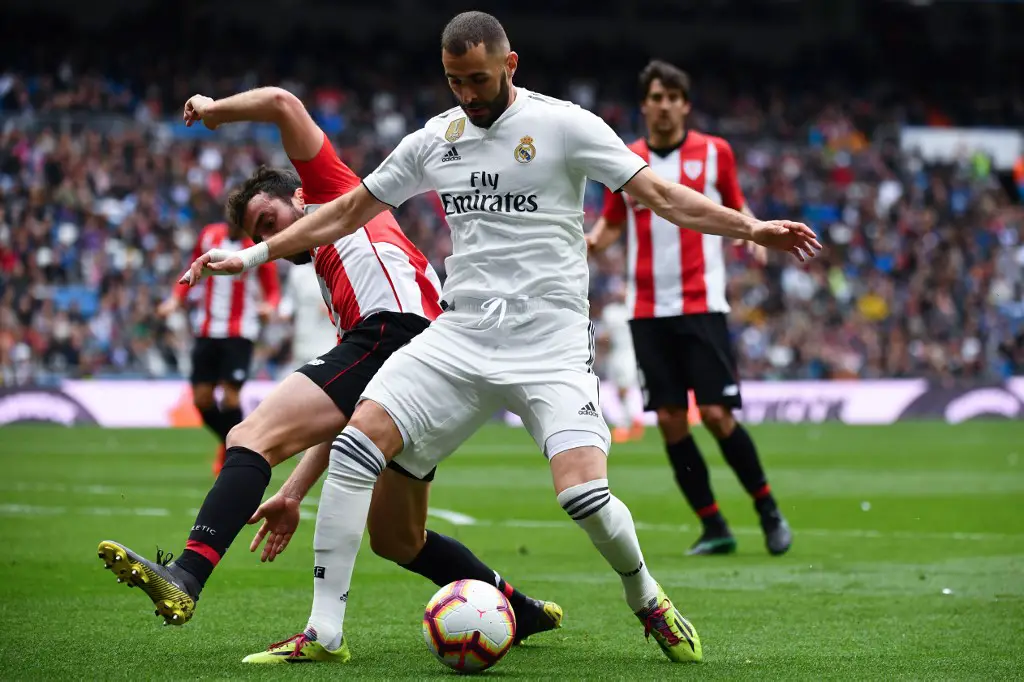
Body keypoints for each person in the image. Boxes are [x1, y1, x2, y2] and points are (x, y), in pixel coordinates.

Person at [180, 12, 819, 664]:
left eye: (480, 79)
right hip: (460, 334)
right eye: (455, 80)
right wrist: (252, 258)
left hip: (551, 339)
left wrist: (752, 228)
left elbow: (661, 195)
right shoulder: (437, 138)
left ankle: (645, 595)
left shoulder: (565, 125)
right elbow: (345, 210)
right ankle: (324, 634)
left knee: (583, 497)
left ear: (511, 65)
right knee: (353, 446)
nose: (468, 93)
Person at [96, 84, 562, 664]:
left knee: (249, 438)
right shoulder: (333, 275)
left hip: (398, 334)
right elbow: (344, 415)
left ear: (297, 195)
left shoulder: (330, 193)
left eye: (268, 220)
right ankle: (519, 607)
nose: (268, 240)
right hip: (430, 359)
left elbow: (284, 104)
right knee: (399, 540)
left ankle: (187, 576)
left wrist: (215, 111)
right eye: (257, 237)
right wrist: (292, 492)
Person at [587, 60, 793, 556]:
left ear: (685, 104)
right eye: (655, 97)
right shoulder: (627, 157)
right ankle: (714, 524)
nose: (663, 105)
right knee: (673, 421)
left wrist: (756, 232)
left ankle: (767, 509)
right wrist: (592, 241)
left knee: (720, 414)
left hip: (703, 303)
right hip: (646, 309)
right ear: (645, 105)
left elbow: (737, 203)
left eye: (671, 96)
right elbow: (614, 222)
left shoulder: (715, 152)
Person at [157, 222, 280, 475]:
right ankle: (232, 442)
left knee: (230, 396)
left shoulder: (258, 247)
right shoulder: (209, 235)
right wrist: (175, 298)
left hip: (239, 333)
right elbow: (193, 267)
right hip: (207, 330)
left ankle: (235, 454)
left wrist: (269, 306)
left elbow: (272, 290)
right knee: (201, 399)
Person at [599, 289, 646, 443]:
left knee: (625, 388)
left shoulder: (633, 309)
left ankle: (625, 424)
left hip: (629, 353)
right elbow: (606, 335)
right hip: (614, 354)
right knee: (619, 390)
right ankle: (633, 419)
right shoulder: (610, 312)